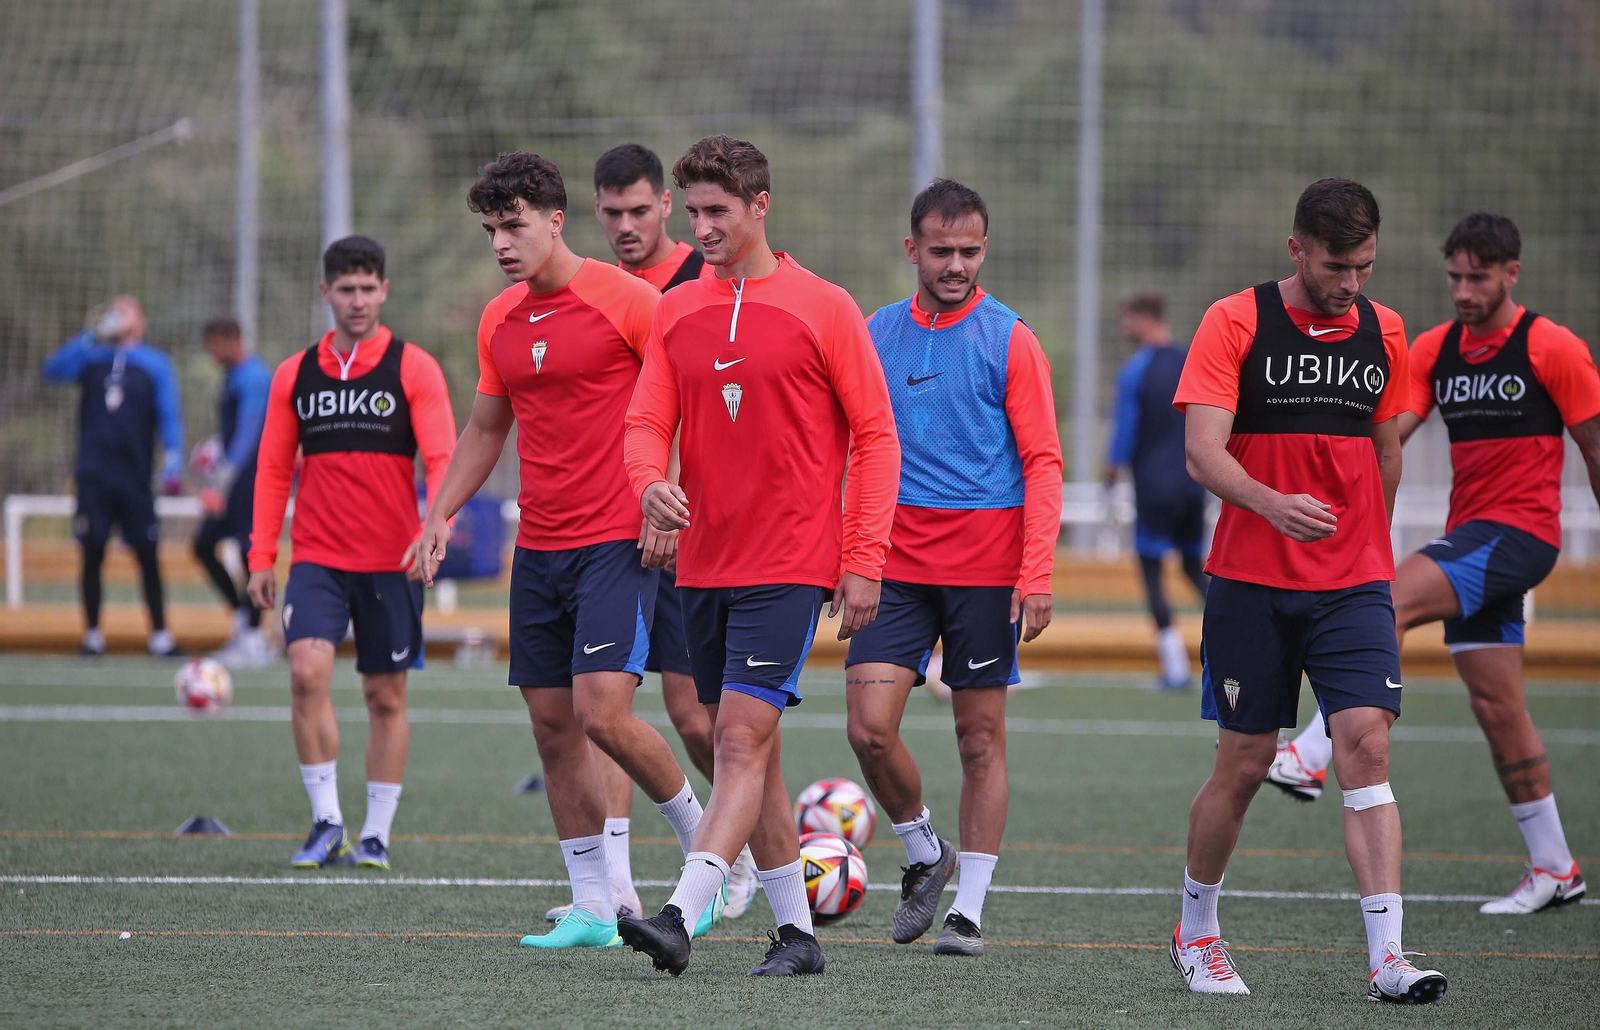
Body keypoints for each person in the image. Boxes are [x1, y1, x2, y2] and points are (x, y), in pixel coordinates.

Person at [617, 135, 900, 977]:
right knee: (743, 743)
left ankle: (678, 913)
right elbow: (644, 424)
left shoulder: (827, 306)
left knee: (739, 738)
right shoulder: (676, 309)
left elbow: (878, 439)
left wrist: (864, 556)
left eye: (718, 211)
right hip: (703, 562)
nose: (701, 227)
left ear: (760, 206)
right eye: (693, 211)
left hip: (792, 562)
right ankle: (797, 935)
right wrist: (646, 483)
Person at [416, 152, 709, 950]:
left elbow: (682, 406)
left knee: (603, 713)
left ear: (555, 219)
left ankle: (705, 838)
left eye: (513, 226)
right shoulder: (499, 318)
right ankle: (593, 906)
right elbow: (485, 428)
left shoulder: (633, 301)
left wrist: (666, 500)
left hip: (617, 537)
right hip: (538, 545)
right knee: (552, 726)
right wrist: (441, 511)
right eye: (490, 230)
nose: (502, 243)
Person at [1268, 213, 1600, 915]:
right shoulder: (1436, 348)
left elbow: (1595, 448)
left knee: (1384, 603)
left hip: (1518, 536)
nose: (1464, 291)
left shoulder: (1552, 347)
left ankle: (1308, 753)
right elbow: (1386, 431)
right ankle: (1555, 867)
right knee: (1497, 706)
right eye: (1455, 277)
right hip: (1471, 538)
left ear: (1512, 273)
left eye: (1478, 278)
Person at [1169, 178, 1446, 1003]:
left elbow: (1387, 447)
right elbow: (1202, 451)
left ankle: (1389, 958)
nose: (1351, 282)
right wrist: (1270, 503)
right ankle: (1197, 928)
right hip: (1250, 581)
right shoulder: (1236, 320)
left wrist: (1372, 544)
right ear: (1297, 250)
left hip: (1354, 583)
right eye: (1336, 265)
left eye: (1364, 265)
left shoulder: (1386, 328)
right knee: (1245, 764)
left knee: (1366, 743)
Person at [843, 179, 1061, 957]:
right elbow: (854, 448)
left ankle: (968, 909)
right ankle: (924, 851)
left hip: (985, 565)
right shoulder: (874, 332)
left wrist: (1036, 573)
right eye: (942, 251)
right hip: (895, 562)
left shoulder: (1011, 339)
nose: (957, 265)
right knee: (868, 730)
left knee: (978, 738)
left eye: (971, 251)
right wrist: (851, 552)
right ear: (913, 250)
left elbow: (1044, 461)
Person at [550, 141, 758, 924]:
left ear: (666, 207)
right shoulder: (590, 289)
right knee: (607, 710)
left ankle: (745, 849)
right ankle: (620, 893)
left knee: (701, 717)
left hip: (691, 529)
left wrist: (666, 499)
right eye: (613, 213)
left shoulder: (697, 283)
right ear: (591, 214)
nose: (628, 225)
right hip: (615, 534)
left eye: (642, 210)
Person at [246, 236, 456, 872]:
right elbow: (272, 468)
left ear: (384, 291)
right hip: (316, 559)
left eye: (369, 288)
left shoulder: (413, 367)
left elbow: (445, 458)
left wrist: (433, 527)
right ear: (326, 293)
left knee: (385, 696)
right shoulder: (294, 374)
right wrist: (261, 555)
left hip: (394, 562)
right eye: (346, 289)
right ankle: (326, 822)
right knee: (306, 673)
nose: (358, 300)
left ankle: (376, 835)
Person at [42, 295, 183, 657]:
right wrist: (93, 333)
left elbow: (169, 414)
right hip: (94, 476)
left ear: (142, 321)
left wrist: (172, 460)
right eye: (115, 311)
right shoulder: (91, 358)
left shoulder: (155, 364)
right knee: (92, 553)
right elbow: (53, 370)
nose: (120, 317)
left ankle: (160, 636)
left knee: (148, 554)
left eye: (128, 311)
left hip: (135, 478)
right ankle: (92, 635)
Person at [1105, 291, 1209, 689]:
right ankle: (1242, 644)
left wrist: (1111, 474)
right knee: (1192, 567)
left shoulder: (1137, 370)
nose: (1125, 328)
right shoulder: (1189, 362)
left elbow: (1125, 431)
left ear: (1143, 318)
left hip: (1153, 488)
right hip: (1193, 483)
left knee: (1151, 572)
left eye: (1128, 320)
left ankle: (1175, 669)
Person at [193, 316, 274, 668]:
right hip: (234, 481)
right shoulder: (232, 378)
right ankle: (244, 620)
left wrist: (220, 483)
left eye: (212, 345)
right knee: (202, 546)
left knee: (250, 556)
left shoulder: (253, 376)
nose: (210, 354)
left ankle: (256, 637)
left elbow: (248, 434)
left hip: (251, 481)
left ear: (227, 341)